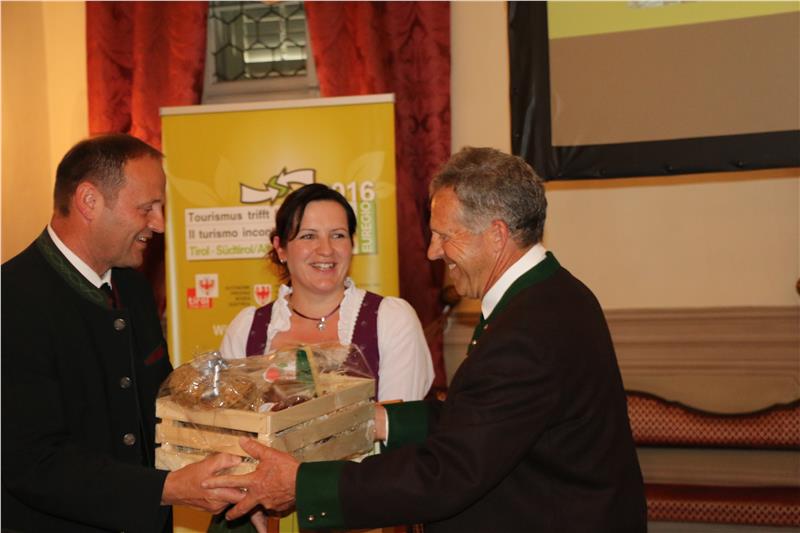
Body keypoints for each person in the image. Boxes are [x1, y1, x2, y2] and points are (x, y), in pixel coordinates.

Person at [203, 147, 648, 532]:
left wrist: (302, 486)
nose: (433, 251)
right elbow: (482, 419)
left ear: (496, 235)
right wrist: (377, 419)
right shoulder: (551, 295)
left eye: (443, 236)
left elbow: (449, 471)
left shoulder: (527, 328)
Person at [1, 134, 246, 533]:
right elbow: (32, 462)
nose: (159, 224)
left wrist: (236, 465)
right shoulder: (11, 300)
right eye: (147, 208)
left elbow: (157, 407)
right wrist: (166, 489)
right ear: (89, 201)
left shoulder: (132, 288)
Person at [220, 183, 434, 403]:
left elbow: (397, 420)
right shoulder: (246, 330)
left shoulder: (392, 320)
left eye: (338, 235)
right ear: (280, 248)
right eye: (308, 236)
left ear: (352, 244)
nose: (326, 249)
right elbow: (228, 418)